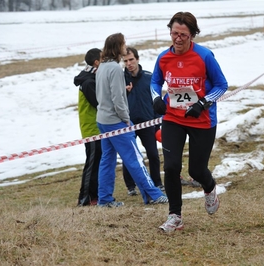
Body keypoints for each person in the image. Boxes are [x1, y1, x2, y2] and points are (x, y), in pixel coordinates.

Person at [151, 12, 228, 232]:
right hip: (173, 118)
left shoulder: (204, 56)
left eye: (183, 34)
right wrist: (156, 98)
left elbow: (222, 86)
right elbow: (155, 81)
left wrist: (203, 103)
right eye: (174, 33)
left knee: (197, 169)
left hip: (202, 120)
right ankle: (175, 216)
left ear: (192, 35)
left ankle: (210, 187)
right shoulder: (163, 57)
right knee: (172, 166)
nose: (178, 38)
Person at [95, 33, 168, 207]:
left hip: (103, 120)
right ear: (117, 46)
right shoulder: (114, 69)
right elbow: (118, 99)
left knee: (107, 160)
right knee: (134, 158)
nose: (125, 46)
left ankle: (104, 199)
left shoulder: (102, 67)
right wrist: (126, 119)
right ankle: (153, 195)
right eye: (123, 43)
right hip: (115, 122)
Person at [122, 46, 164, 196]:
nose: (129, 63)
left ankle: (157, 182)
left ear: (137, 59)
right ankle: (130, 186)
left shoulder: (149, 77)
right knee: (129, 156)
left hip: (148, 122)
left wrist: (157, 122)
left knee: (153, 154)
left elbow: (156, 100)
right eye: (125, 61)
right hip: (129, 124)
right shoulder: (120, 79)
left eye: (131, 59)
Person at [73, 48, 102, 206]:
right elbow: (98, 103)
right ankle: (84, 198)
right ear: (97, 62)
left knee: (97, 163)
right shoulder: (89, 81)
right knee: (91, 164)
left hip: (96, 128)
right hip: (92, 129)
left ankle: (94, 196)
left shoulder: (92, 78)